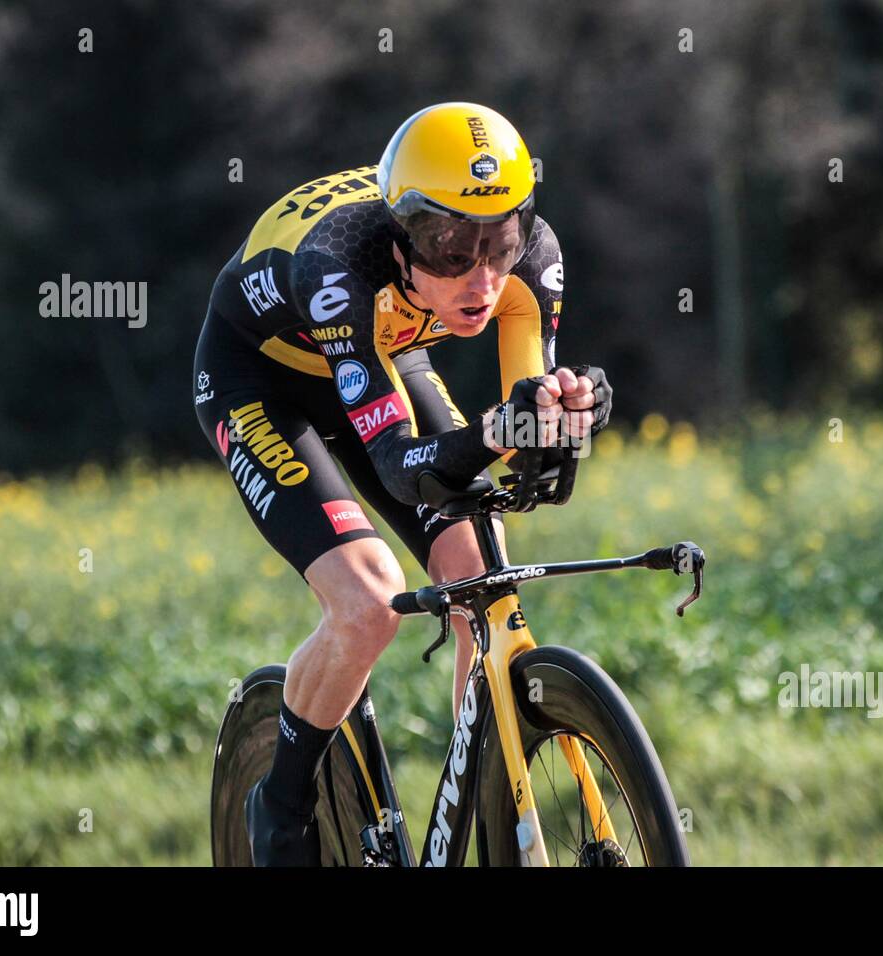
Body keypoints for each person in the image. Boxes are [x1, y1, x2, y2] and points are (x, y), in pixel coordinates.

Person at [192, 102, 613, 865]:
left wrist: (561, 414)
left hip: (380, 355)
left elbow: (525, 447)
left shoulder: (534, 259)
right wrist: (491, 431)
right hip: (260, 376)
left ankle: (495, 817)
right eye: (451, 249)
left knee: (479, 574)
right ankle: (280, 808)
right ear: (403, 234)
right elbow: (399, 465)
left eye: (499, 243)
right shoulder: (336, 263)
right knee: (368, 601)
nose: (481, 280)